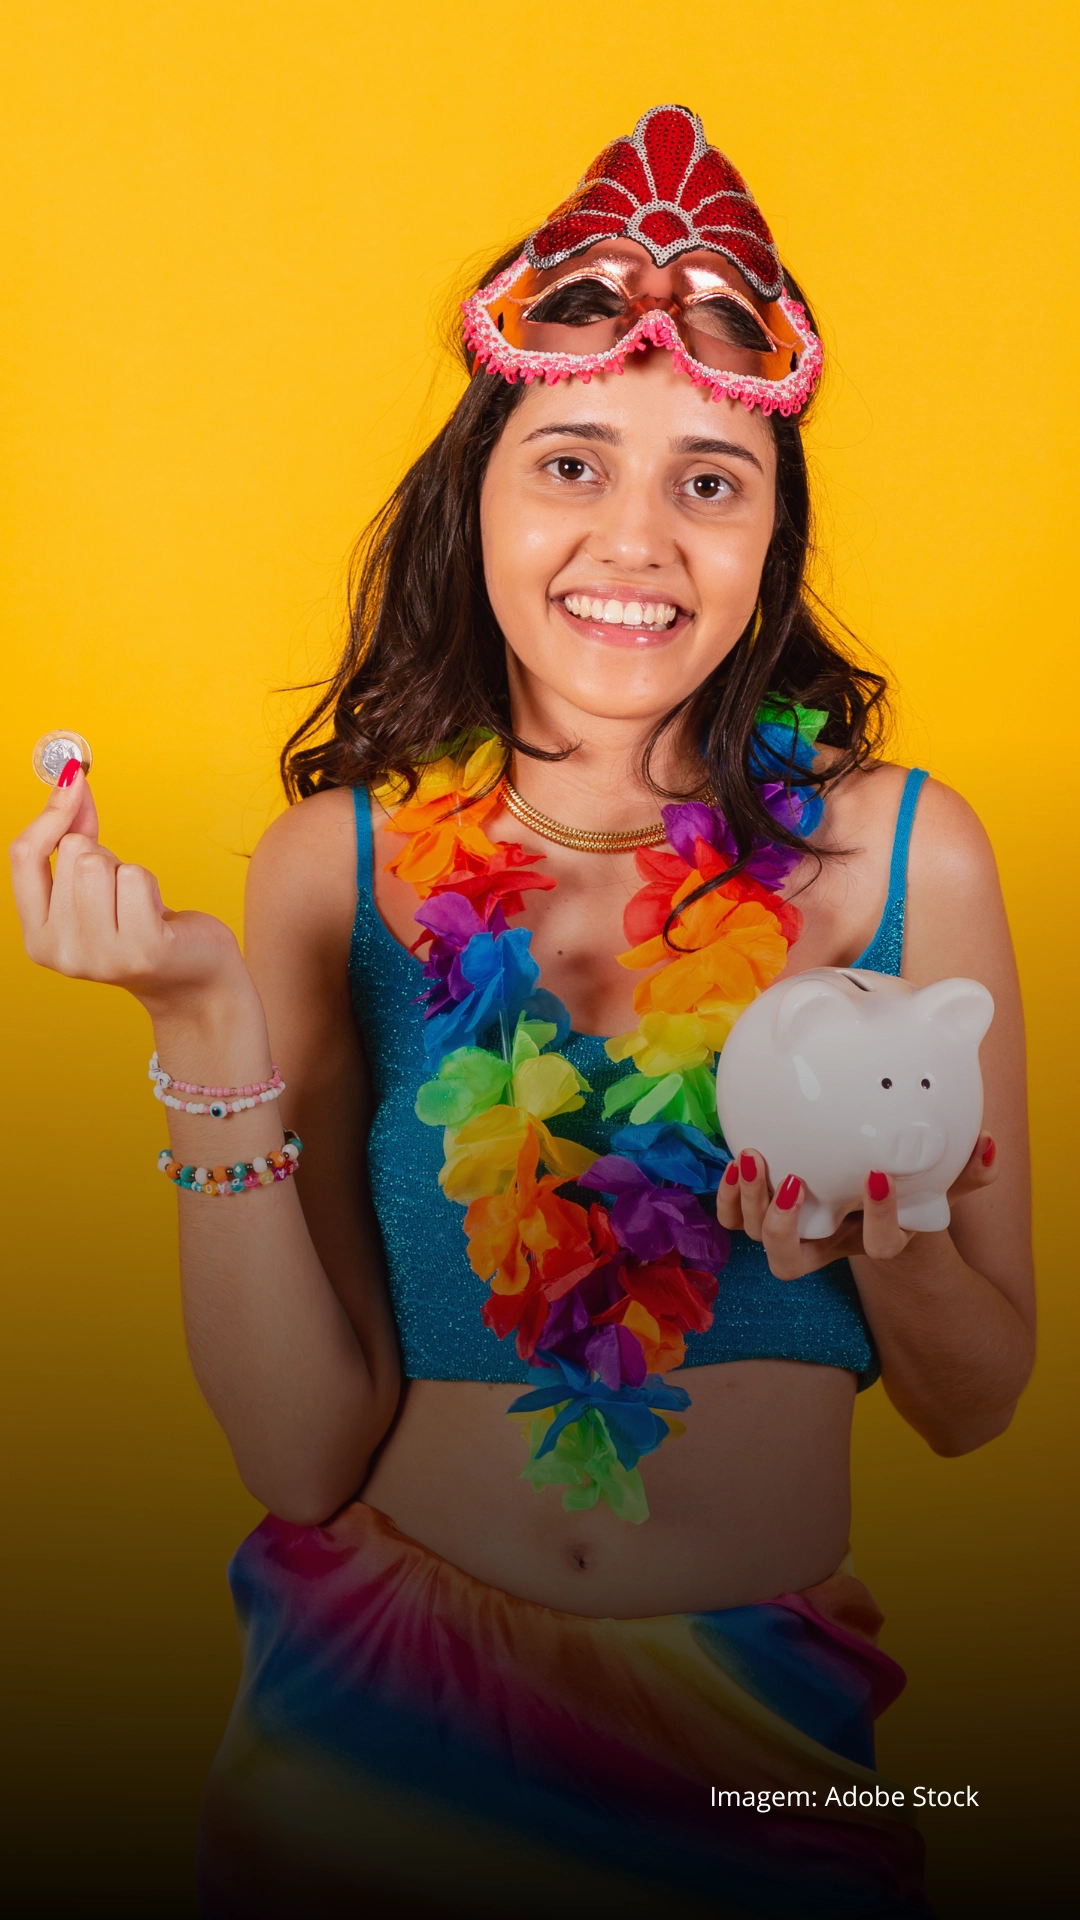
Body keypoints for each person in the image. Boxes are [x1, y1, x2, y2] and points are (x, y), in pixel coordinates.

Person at [11, 105, 1033, 1919]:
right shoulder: (334, 868)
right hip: (366, 1753)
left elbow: (977, 1402)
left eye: (710, 481)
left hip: (761, 1750)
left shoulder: (902, 861)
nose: (635, 539)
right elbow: (303, 1454)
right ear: (472, 494)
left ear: (772, 529)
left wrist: (885, 1233)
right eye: (570, 461)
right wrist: (197, 1026)